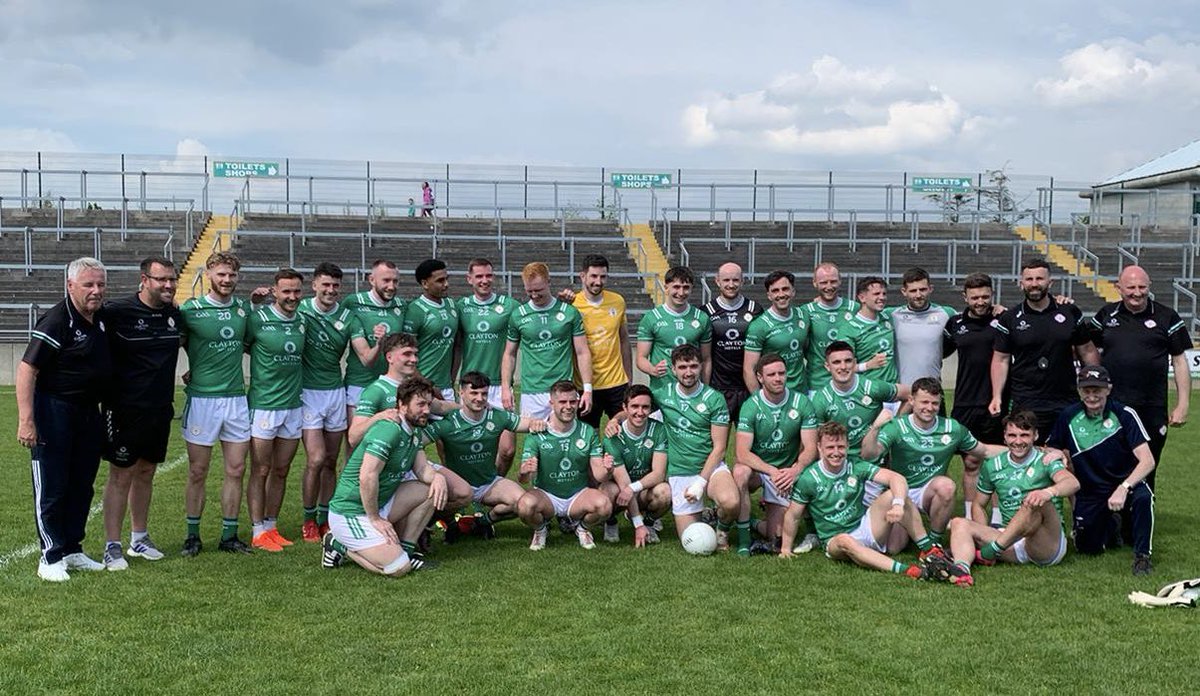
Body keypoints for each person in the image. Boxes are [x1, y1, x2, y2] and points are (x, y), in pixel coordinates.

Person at [17, 257, 112, 581]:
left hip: (89, 413)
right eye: (88, 284)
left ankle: (73, 548)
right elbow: (27, 369)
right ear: (70, 286)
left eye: (100, 284)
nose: (96, 291)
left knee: (81, 485)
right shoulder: (57, 320)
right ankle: (50, 555)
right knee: (53, 486)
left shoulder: (100, 319)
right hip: (54, 410)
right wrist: (26, 420)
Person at [779, 422, 952, 582]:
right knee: (845, 541)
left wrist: (898, 504)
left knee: (896, 494)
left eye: (841, 447)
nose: (836, 452)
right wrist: (785, 549)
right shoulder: (809, 478)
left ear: (847, 446)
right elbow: (793, 515)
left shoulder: (855, 465)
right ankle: (911, 571)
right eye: (830, 447)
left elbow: (896, 478)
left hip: (864, 526)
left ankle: (930, 551)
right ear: (819, 448)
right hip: (834, 540)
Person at [99, 256, 181, 570]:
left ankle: (139, 538)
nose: (169, 285)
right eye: (162, 279)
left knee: (147, 472)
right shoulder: (116, 312)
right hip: (123, 410)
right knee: (121, 475)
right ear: (144, 280)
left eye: (172, 279)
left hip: (160, 410)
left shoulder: (174, 315)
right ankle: (111, 546)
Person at [321, 377, 447, 576]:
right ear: (402, 405)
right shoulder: (388, 430)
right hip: (351, 511)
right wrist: (374, 518)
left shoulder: (413, 432)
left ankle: (407, 549)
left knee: (430, 490)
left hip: (378, 504)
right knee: (397, 568)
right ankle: (337, 543)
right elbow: (367, 476)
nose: (427, 410)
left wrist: (438, 478)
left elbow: (423, 470)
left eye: (428, 404)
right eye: (420, 404)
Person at [860, 377, 1003, 550]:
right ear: (912, 401)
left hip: (929, 491)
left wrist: (1031, 451)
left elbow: (985, 451)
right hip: (901, 491)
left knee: (947, 486)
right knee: (894, 548)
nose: (929, 408)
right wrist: (875, 428)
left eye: (934, 403)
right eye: (924, 402)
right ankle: (915, 531)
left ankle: (934, 541)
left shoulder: (952, 428)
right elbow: (868, 455)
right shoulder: (897, 426)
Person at [945, 410, 1080, 587]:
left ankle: (988, 553)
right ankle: (961, 570)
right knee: (958, 523)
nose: (1018, 441)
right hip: (1011, 540)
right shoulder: (993, 465)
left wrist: (1047, 492)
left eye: (1024, 435)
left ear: (1035, 436)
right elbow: (978, 505)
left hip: (1044, 544)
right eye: (1012, 435)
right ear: (1005, 437)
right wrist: (981, 533)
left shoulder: (1045, 460)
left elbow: (1072, 483)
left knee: (1035, 500)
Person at [178, 251, 254, 556]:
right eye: (221, 274)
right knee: (198, 470)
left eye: (232, 275)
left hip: (236, 399)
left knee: (236, 469)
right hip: (203, 400)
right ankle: (193, 536)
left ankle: (229, 535)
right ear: (209, 274)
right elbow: (178, 343)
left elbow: (252, 345)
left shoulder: (243, 309)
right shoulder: (191, 310)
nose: (227, 280)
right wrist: (192, 369)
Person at [1047, 366, 1157, 575]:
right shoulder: (1068, 416)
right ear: (1079, 392)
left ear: (1108, 389)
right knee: (1087, 548)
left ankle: (1143, 556)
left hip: (1126, 483)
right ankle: (1111, 526)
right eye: (1086, 390)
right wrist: (1059, 454)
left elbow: (1148, 461)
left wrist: (1124, 487)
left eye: (1097, 389)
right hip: (1090, 489)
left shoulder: (1124, 414)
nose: (1092, 396)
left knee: (1144, 498)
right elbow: (1051, 446)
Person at [1088, 265, 1191, 489]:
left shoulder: (1167, 316)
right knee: (1111, 464)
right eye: (1131, 287)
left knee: (1148, 464)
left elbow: (1180, 361)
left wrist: (1182, 404)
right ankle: (1113, 517)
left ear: (1149, 286)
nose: (1137, 292)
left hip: (1151, 407)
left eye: (1142, 287)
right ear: (1119, 288)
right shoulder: (1106, 315)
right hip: (1113, 405)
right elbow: (1087, 349)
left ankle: (1143, 516)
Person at [640, 344, 740, 552]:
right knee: (690, 539)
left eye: (693, 366)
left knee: (730, 502)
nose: (688, 372)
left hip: (711, 469)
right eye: (683, 367)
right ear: (673, 369)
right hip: (679, 472)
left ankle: (721, 531)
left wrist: (700, 483)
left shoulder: (714, 399)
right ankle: (706, 515)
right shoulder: (662, 394)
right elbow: (636, 405)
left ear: (701, 367)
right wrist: (616, 420)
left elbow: (720, 448)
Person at [423, 371, 546, 540]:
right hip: (457, 487)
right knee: (432, 501)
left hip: (488, 483)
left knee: (521, 503)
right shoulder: (448, 422)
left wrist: (537, 423)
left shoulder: (496, 416)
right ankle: (446, 524)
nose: (480, 398)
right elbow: (415, 442)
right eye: (474, 393)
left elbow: (527, 424)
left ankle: (483, 522)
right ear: (461, 392)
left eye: (484, 394)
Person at [990, 257, 1100, 442]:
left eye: (1040, 279)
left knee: (1069, 456)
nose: (1034, 284)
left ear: (1050, 282)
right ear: (1021, 283)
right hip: (1026, 400)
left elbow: (1087, 351)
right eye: (1029, 279)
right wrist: (996, 396)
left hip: (1066, 399)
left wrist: (1095, 384)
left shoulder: (1069, 312)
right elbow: (1000, 359)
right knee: (1028, 456)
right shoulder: (1010, 318)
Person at [245, 269, 307, 552]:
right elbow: (238, 346)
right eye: (286, 291)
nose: (292, 297)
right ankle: (257, 530)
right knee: (260, 469)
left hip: (293, 406)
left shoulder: (303, 321)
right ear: (274, 291)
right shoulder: (258, 319)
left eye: (296, 291)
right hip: (264, 406)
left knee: (281, 470)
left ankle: (271, 526)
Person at [733, 352, 818, 553]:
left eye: (781, 373)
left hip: (786, 472)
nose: (778, 378)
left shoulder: (801, 402)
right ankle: (744, 540)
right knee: (739, 472)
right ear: (760, 378)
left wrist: (795, 470)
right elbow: (742, 453)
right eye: (771, 375)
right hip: (761, 470)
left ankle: (754, 523)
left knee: (776, 536)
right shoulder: (750, 406)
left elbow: (811, 447)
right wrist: (772, 471)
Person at [297, 262, 355, 542]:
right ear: (314, 285)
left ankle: (325, 517)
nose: (330, 290)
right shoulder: (300, 309)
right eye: (325, 285)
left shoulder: (347, 315)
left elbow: (363, 353)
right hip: (307, 393)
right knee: (316, 459)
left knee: (331, 461)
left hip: (335, 392)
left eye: (335, 286)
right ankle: (308, 518)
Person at [516, 381, 612, 551]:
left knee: (604, 506)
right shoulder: (537, 433)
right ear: (551, 403)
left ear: (578, 402)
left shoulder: (587, 431)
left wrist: (608, 469)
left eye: (572, 402)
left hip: (577, 495)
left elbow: (599, 476)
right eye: (562, 402)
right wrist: (524, 472)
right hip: (547, 496)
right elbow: (524, 480)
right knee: (524, 506)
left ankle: (583, 529)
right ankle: (540, 529)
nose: (568, 407)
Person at [943, 273, 1006, 519]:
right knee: (971, 462)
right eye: (975, 297)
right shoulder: (955, 324)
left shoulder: (1003, 319)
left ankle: (1000, 519)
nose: (980, 301)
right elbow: (938, 353)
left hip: (996, 401)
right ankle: (970, 517)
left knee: (999, 462)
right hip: (966, 402)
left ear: (992, 294)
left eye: (985, 296)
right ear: (965, 297)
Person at [502, 262, 594, 419]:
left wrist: (587, 389)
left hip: (563, 391)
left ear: (548, 282)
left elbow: (582, 352)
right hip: (531, 392)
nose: (534, 295)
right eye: (529, 291)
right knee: (534, 439)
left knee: (564, 438)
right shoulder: (518, 315)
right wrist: (505, 388)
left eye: (539, 290)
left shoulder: (569, 312)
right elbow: (509, 354)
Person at [455, 258, 519, 474]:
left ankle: (494, 482)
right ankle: (467, 490)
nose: (485, 280)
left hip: (500, 386)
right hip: (470, 386)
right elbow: (455, 346)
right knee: (465, 445)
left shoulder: (509, 306)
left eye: (489, 275)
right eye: (479, 276)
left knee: (508, 449)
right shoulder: (461, 307)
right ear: (469, 279)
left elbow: (537, 311)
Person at [810, 341, 910, 459]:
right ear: (827, 366)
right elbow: (818, 442)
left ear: (855, 363)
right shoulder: (821, 399)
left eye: (848, 361)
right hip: (842, 462)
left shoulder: (873, 387)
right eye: (836, 362)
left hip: (875, 460)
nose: (843, 367)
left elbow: (910, 394)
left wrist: (892, 427)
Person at [602, 384, 671, 546]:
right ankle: (611, 521)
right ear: (625, 407)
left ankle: (649, 522)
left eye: (645, 407)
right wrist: (636, 525)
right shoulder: (613, 436)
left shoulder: (659, 430)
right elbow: (623, 482)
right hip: (619, 489)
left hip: (641, 489)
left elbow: (659, 473)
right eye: (634, 406)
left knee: (665, 492)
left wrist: (633, 489)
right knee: (607, 493)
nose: (640, 412)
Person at [569, 254, 631, 428]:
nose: (598, 281)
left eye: (603, 276)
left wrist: (629, 377)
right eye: (594, 276)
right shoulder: (572, 304)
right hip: (585, 385)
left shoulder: (618, 301)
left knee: (624, 435)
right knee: (589, 440)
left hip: (617, 382)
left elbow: (624, 340)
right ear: (583, 276)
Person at [701, 262, 762, 422]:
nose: (731, 285)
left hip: (748, 387)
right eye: (726, 280)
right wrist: (705, 388)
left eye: (735, 280)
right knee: (717, 444)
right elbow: (704, 356)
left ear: (742, 281)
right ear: (717, 281)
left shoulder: (755, 309)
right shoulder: (706, 311)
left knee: (751, 443)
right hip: (719, 388)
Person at [343, 259, 405, 415]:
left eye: (395, 281)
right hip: (359, 383)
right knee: (357, 437)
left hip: (390, 383)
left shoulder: (402, 305)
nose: (391, 286)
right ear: (371, 280)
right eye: (386, 280)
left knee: (389, 434)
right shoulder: (353, 302)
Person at [636, 266, 712, 390]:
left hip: (692, 390)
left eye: (686, 287)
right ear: (666, 288)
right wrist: (653, 370)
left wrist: (706, 388)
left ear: (692, 288)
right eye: (676, 287)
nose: (681, 293)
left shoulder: (701, 318)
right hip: (661, 390)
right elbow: (640, 358)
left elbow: (706, 359)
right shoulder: (651, 318)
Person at [743, 270, 809, 396]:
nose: (781, 294)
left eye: (785, 289)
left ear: (793, 291)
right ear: (769, 295)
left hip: (801, 392)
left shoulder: (803, 315)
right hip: (774, 394)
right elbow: (749, 369)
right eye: (775, 291)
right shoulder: (759, 326)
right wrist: (759, 400)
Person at [887, 267, 955, 387]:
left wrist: (997, 310)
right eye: (913, 291)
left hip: (932, 392)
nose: (918, 295)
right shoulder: (891, 315)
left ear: (930, 289)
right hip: (901, 392)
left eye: (922, 289)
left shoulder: (946, 314)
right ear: (904, 291)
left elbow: (973, 318)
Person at [403, 259, 459, 401]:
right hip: (421, 387)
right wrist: (427, 385)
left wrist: (452, 380)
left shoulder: (452, 305)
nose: (446, 284)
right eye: (440, 281)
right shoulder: (415, 310)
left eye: (447, 279)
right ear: (425, 283)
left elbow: (457, 346)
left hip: (446, 387)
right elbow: (406, 354)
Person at [801, 262, 860, 393]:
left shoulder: (855, 308)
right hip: (817, 385)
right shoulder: (805, 312)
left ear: (840, 281)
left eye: (833, 281)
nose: (829, 287)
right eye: (823, 282)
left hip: (850, 385)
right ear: (815, 283)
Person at [843, 276, 897, 389]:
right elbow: (843, 367)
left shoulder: (888, 316)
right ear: (862, 298)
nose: (882, 297)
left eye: (884, 294)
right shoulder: (848, 329)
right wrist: (867, 365)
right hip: (869, 392)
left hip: (894, 390)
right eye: (876, 294)